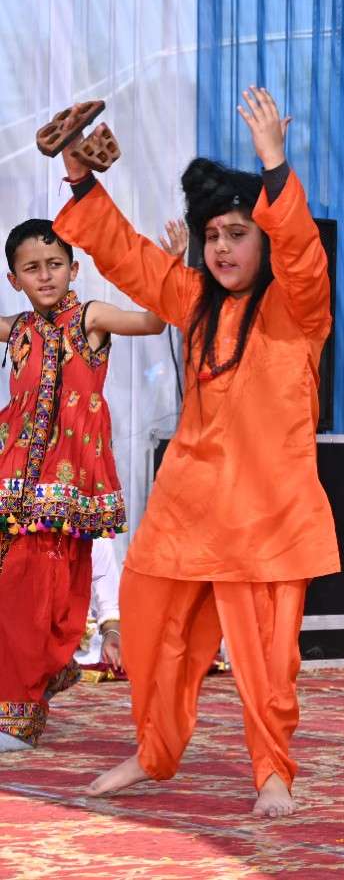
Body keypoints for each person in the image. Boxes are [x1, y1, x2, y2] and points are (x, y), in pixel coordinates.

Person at [55, 87, 338, 818]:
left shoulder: (298, 308)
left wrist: (274, 164)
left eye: (238, 234)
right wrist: (81, 178)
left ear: (263, 241)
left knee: (268, 659)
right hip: (190, 505)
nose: (222, 248)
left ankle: (272, 773)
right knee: (150, 625)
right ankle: (154, 749)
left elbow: (304, 256)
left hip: (268, 515)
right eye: (212, 235)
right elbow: (130, 259)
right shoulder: (197, 301)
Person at [0, 209, 164, 751]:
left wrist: (170, 267)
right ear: (14, 279)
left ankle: (21, 713)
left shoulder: (90, 318)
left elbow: (152, 323)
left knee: (42, 593)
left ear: (73, 268)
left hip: (67, 488)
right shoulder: (19, 330)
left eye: (54, 264)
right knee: (20, 591)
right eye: (31, 268)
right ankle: (40, 675)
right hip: (15, 484)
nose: (45, 275)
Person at [73, 540, 125, 682]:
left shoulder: (96, 536)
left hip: (85, 655)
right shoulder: (23, 534)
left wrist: (112, 633)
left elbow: (110, 605)